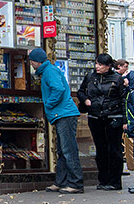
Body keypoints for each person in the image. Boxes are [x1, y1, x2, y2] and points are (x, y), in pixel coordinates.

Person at [29, 48, 84, 194]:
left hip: (64, 114)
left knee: (68, 149)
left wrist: (49, 105)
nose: (31, 65)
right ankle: (61, 181)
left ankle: (76, 183)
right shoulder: (49, 70)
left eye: (32, 62)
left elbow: (58, 89)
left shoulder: (49, 72)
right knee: (62, 149)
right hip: (62, 113)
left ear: (36, 61)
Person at [76, 53, 127, 190]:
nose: (97, 67)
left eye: (100, 64)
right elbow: (80, 91)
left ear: (108, 66)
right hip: (95, 116)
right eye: (96, 64)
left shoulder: (117, 79)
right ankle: (103, 180)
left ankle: (115, 181)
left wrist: (124, 119)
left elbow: (123, 100)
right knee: (101, 149)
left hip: (113, 116)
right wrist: (86, 100)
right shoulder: (91, 77)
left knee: (114, 149)